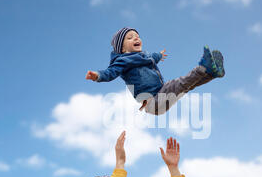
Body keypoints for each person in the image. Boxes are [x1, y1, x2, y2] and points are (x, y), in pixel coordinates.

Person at [85, 27, 225, 115]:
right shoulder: (122, 61)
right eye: (130, 37)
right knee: (179, 83)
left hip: (160, 94)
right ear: (122, 49)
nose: (136, 37)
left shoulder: (144, 56)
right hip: (153, 102)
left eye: (137, 36)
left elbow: (152, 58)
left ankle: (211, 73)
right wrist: (97, 75)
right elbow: (110, 72)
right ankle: (203, 68)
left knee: (186, 86)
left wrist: (159, 55)